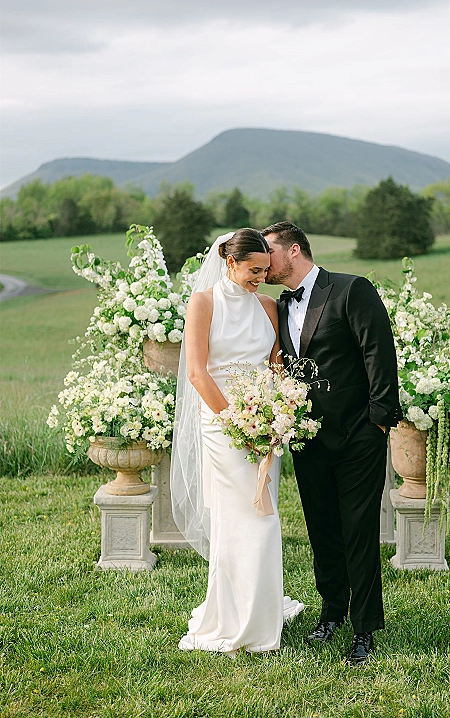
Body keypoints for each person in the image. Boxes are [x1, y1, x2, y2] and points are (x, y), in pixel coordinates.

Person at [262, 221, 402, 666]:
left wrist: (378, 424)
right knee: (323, 530)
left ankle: (364, 630)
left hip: (359, 436)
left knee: (358, 532)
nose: (264, 262)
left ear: (295, 250)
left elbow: (379, 354)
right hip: (308, 438)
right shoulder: (278, 307)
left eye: (269, 252)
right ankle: (331, 613)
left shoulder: (350, 289)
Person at [171, 229, 303, 657]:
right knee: (249, 519)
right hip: (222, 424)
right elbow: (196, 373)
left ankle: (258, 610)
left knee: (262, 512)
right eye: (253, 270)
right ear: (230, 262)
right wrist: (236, 422)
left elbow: (276, 365)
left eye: (266, 270)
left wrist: (278, 412)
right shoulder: (203, 303)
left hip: (264, 424)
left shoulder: (267, 307)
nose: (261, 279)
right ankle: (239, 619)